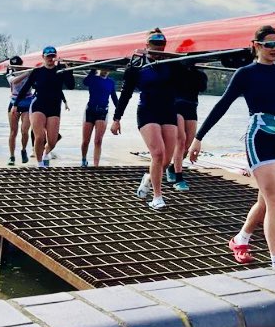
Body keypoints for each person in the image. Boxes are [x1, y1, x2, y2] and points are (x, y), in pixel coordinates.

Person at [187, 25, 275, 268]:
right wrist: (198, 137)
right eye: (270, 45)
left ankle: (240, 239)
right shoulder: (246, 73)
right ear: (256, 45)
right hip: (258, 139)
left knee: (267, 201)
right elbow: (222, 105)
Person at [110, 28, 181, 210]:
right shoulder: (135, 67)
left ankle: (149, 177)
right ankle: (157, 197)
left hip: (168, 111)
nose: (159, 48)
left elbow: (192, 81)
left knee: (166, 159)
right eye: (155, 45)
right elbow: (125, 94)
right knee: (157, 153)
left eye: (162, 45)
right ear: (147, 45)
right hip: (147, 111)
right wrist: (117, 118)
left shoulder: (173, 64)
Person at [15, 46, 75, 168]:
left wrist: (69, 70)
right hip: (38, 105)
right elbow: (25, 88)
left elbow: (71, 86)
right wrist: (15, 104)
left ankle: (46, 153)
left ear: (56, 57)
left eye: (53, 56)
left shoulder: (60, 71)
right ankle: (40, 163)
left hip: (54, 107)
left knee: (52, 141)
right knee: (40, 136)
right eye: (48, 56)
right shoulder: (37, 72)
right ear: (43, 57)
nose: (51, 59)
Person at [166, 62, 208, 191]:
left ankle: (172, 168)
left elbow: (202, 88)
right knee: (181, 140)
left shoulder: (200, 74)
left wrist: (196, 70)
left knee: (188, 144)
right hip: (176, 106)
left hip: (191, 107)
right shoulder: (175, 69)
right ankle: (179, 179)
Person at [81, 69, 119, 167]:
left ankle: (95, 166)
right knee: (85, 141)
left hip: (102, 112)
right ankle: (84, 160)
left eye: (107, 69)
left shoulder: (110, 82)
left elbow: (114, 98)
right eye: (103, 68)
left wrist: (118, 116)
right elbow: (85, 82)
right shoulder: (93, 78)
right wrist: (93, 69)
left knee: (98, 141)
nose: (105, 70)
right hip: (90, 110)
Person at [6, 56, 33, 166]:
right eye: (14, 66)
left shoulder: (28, 71)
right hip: (14, 104)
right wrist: (27, 73)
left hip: (27, 103)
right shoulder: (10, 73)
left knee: (24, 130)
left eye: (18, 66)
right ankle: (12, 156)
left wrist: (31, 71)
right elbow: (15, 82)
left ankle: (23, 150)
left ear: (21, 64)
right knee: (13, 132)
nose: (16, 68)